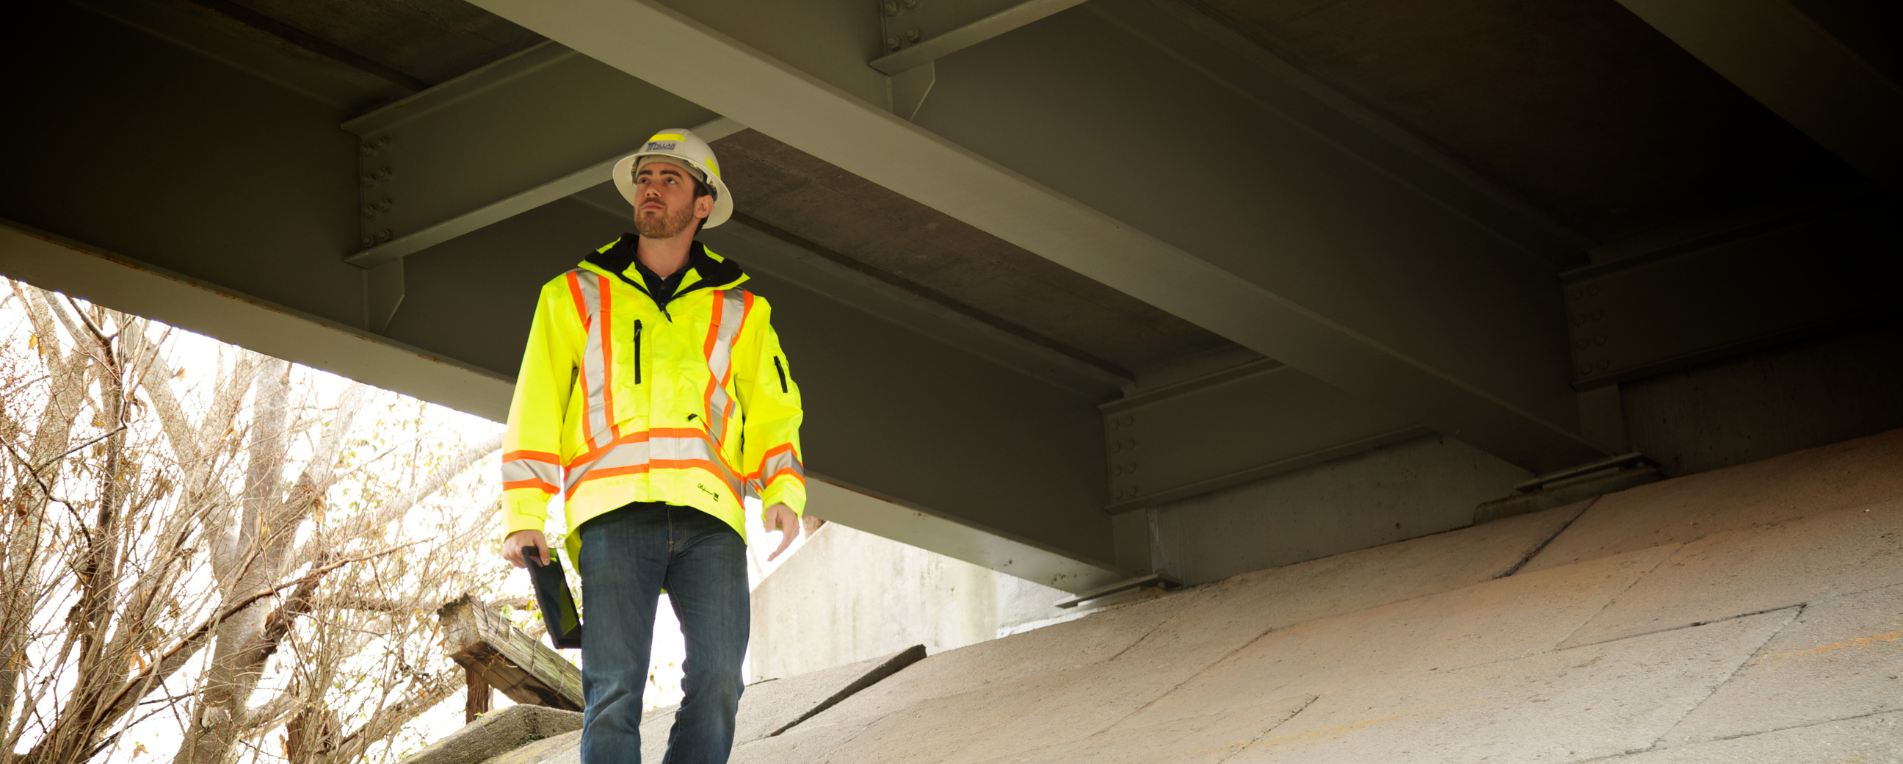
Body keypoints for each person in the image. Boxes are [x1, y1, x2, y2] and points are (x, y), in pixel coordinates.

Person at [498, 128, 806, 764]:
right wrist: (524, 517)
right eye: (645, 179)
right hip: (612, 516)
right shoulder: (573, 295)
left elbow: (774, 410)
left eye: (670, 180)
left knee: (721, 681)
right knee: (613, 692)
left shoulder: (741, 307)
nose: (651, 190)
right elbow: (534, 406)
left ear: (702, 204)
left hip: (711, 520)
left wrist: (783, 491)